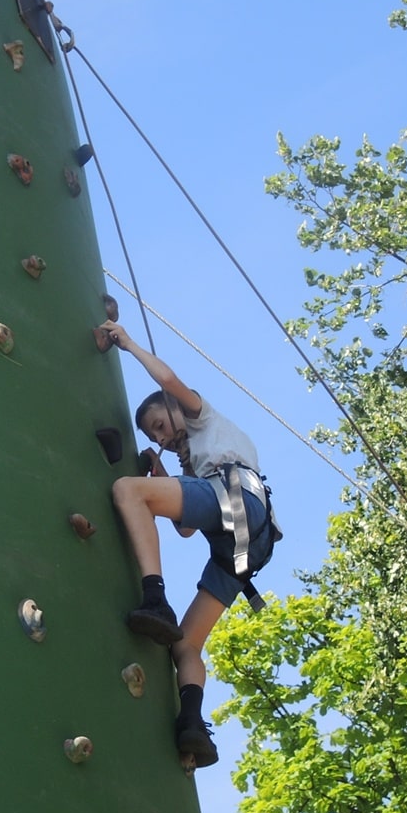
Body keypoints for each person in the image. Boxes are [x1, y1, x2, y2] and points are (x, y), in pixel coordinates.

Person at [100, 318, 277, 768]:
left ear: (177, 408)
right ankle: (193, 727)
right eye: (155, 435)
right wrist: (162, 476)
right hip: (242, 547)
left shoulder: (201, 417)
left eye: (161, 424)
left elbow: (168, 379)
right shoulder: (195, 464)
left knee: (126, 491)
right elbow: (185, 528)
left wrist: (129, 343)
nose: (163, 436)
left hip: (235, 499)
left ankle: (154, 597)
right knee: (186, 645)